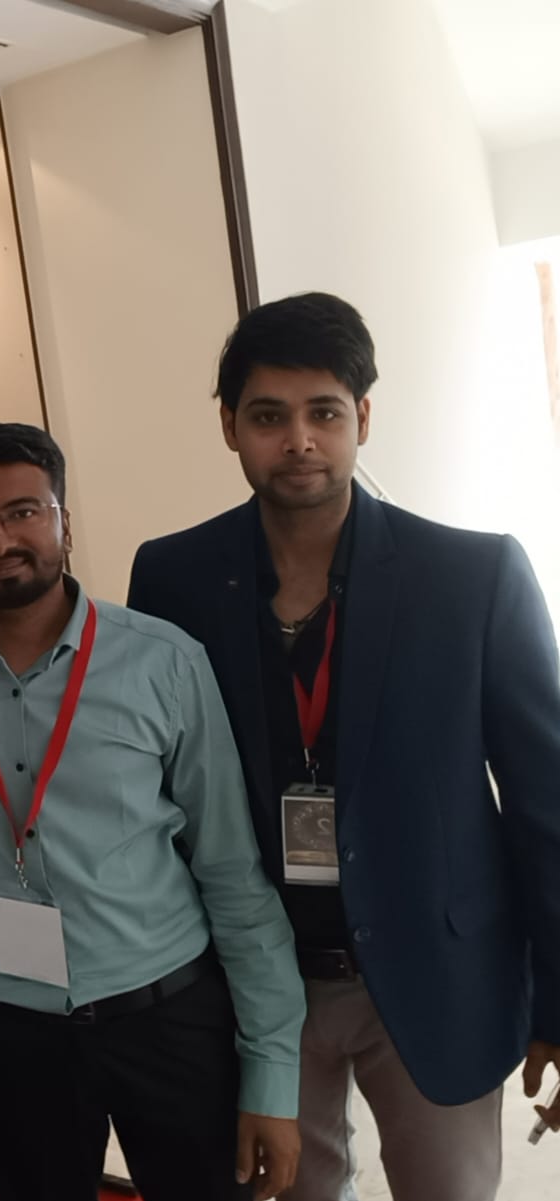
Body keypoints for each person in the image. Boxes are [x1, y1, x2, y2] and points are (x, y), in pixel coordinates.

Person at [126, 292, 560, 1200]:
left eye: (323, 412)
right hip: (259, 983)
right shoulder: (173, 578)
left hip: (440, 970)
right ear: (229, 426)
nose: (299, 441)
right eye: (268, 417)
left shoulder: (472, 576)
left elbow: (545, 806)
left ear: (363, 416)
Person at [0, 423, 305, 1201]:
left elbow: (232, 872)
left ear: (64, 522)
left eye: (23, 511)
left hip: (169, 1013)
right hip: (5, 1026)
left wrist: (273, 1076)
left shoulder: (164, 661)